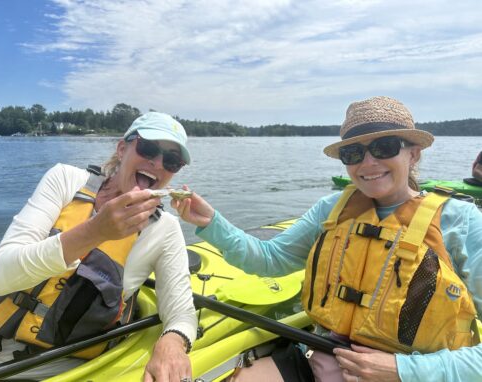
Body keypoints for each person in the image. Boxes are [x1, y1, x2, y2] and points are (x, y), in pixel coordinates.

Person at [173, 96, 482, 382]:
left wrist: (404, 369)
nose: (368, 163)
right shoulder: (330, 209)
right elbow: (270, 259)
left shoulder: (462, 222)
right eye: (353, 153)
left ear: (413, 154)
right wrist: (212, 223)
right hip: (326, 352)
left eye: (384, 147)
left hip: (421, 371)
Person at [0, 111, 197, 382]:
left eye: (172, 161)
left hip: (65, 370)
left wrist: (173, 341)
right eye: (148, 148)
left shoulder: (165, 230)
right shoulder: (64, 179)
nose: (158, 163)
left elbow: (181, 312)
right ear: (122, 148)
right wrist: (94, 231)